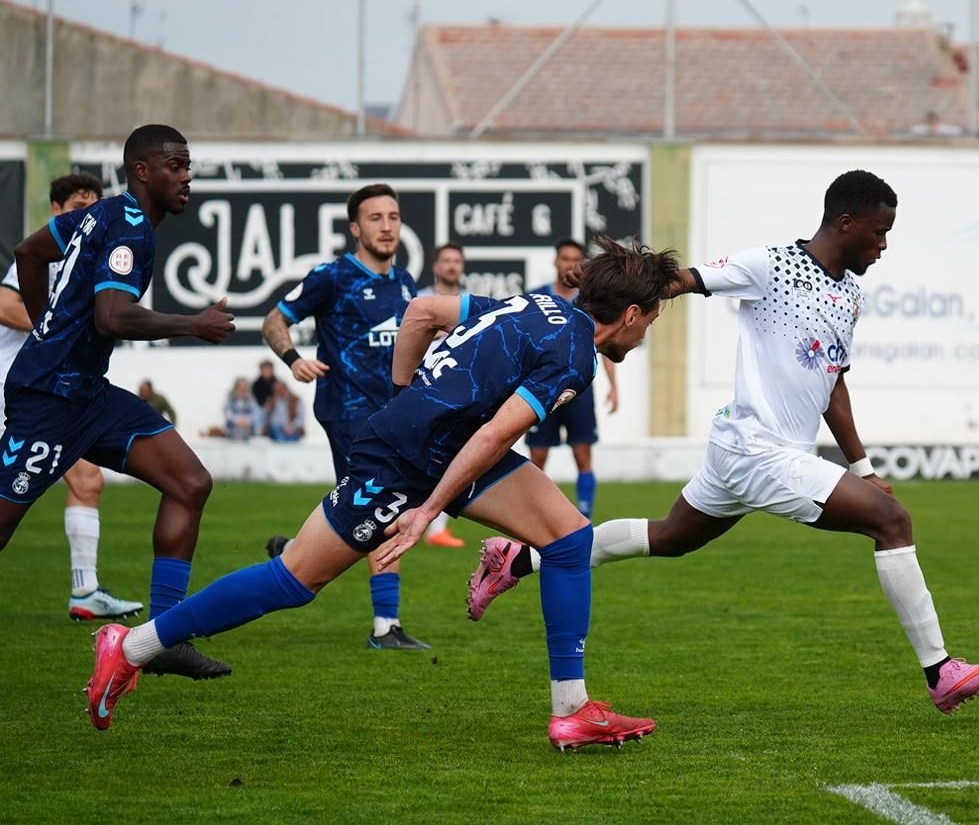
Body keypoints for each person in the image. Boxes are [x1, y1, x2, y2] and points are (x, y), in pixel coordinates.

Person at [85, 238, 678, 751]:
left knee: (571, 538)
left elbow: (422, 313)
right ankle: (132, 645)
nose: (646, 333)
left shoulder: (537, 304)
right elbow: (500, 431)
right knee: (294, 580)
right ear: (630, 314)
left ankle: (572, 710)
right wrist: (425, 509)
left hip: (440, 446)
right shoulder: (575, 357)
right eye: (651, 321)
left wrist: (406, 396)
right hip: (409, 462)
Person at [469, 171, 979, 714]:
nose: (884, 245)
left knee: (672, 537)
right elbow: (677, 281)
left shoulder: (850, 294)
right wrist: (607, 292)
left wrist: (861, 466)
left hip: (755, 452)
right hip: (757, 448)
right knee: (892, 522)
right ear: (847, 223)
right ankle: (941, 671)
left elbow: (832, 380)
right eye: (879, 232)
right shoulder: (771, 265)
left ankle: (518, 562)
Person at [1, 126, 234, 679]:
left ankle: (162, 638)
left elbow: (28, 252)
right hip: (50, 399)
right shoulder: (130, 226)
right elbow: (111, 316)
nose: (187, 175)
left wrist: (45, 328)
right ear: (142, 171)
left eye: (188, 165)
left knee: (190, 482)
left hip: (86, 391)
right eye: (175, 165)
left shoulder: (99, 214)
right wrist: (194, 323)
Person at [260, 183, 429, 650]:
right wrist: (293, 358)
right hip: (348, 412)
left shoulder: (406, 283)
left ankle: (293, 553)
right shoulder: (332, 276)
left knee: (369, 510)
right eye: (376, 218)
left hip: (395, 416)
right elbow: (273, 320)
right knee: (384, 507)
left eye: (393, 217)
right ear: (356, 228)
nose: (387, 226)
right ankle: (386, 627)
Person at [0, 172, 145, 622]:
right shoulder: (47, 257)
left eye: (94, 205)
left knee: (87, 481)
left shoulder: (92, 260)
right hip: (18, 387)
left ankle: (85, 592)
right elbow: (5, 303)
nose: (88, 214)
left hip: (55, 394)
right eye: (78, 207)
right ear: (56, 212)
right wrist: (54, 323)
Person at [525, 238, 618, 519]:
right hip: (542, 388)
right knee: (537, 458)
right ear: (556, 261)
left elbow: (606, 344)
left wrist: (614, 387)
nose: (570, 264)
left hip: (579, 389)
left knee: (583, 455)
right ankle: (532, 517)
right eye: (565, 258)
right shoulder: (538, 297)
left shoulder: (592, 302)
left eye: (576, 260)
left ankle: (585, 517)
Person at [415, 241, 467, 547]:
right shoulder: (421, 298)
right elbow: (408, 331)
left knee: (450, 458)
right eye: (446, 260)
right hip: (422, 385)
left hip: (456, 388)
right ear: (436, 266)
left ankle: (437, 530)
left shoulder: (467, 302)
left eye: (456, 261)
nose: (451, 266)